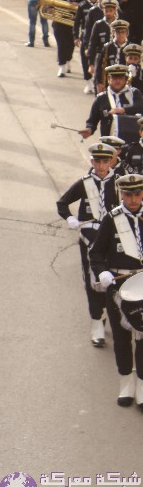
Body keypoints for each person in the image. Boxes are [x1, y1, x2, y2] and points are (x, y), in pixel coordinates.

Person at [57, 143, 120, 348]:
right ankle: (97, 325)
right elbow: (62, 203)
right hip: (90, 240)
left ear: (111, 161)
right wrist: (70, 218)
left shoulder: (119, 184)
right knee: (92, 282)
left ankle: (117, 319)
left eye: (105, 161)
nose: (101, 166)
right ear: (92, 162)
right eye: (97, 161)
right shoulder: (85, 183)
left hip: (114, 241)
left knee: (113, 280)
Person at [88, 173, 143, 409]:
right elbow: (96, 253)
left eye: (137, 194)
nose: (133, 199)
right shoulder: (112, 219)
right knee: (121, 339)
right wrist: (102, 272)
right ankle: (125, 382)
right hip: (118, 288)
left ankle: (141, 385)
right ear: (121, 194)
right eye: (128, 194)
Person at [82, 65, 143, 139]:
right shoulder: (101, 98)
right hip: (108, 141)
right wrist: (89, 129)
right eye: (114, 78)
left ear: (125, 79)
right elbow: (92, 121)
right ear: (108, 79)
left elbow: (140, 106)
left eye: (120, 78)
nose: (117, 81)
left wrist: (124, 109)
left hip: (131, 142)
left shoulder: (134, 93)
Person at [50, 0, 84, 78]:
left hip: (72, 22)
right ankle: (61, 67)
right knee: (61, 44)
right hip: (58, 22)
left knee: (70, 44)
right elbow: (48, 4)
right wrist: (50, 9)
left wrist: (78, 4)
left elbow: (84, 3)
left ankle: (68, 60)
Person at [87, 0, 121, 91]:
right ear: (103, 10)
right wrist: (91, 63)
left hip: (115, 58)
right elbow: (92, 44)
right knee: (99, 84)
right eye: (106, 11)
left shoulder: (120, 25)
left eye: (111, 11)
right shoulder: (98, 25)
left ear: (115, 11)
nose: (108, 13)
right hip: (101, 59)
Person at [93, 20, 131, 90]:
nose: (120, 34)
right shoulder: (107, 47)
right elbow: (99, 66)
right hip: (109, 82)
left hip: (125, 83)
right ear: (113, 33)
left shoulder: (130, 48)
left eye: (123, 32)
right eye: (117, 32)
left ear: (126, 33)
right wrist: (98, 82)